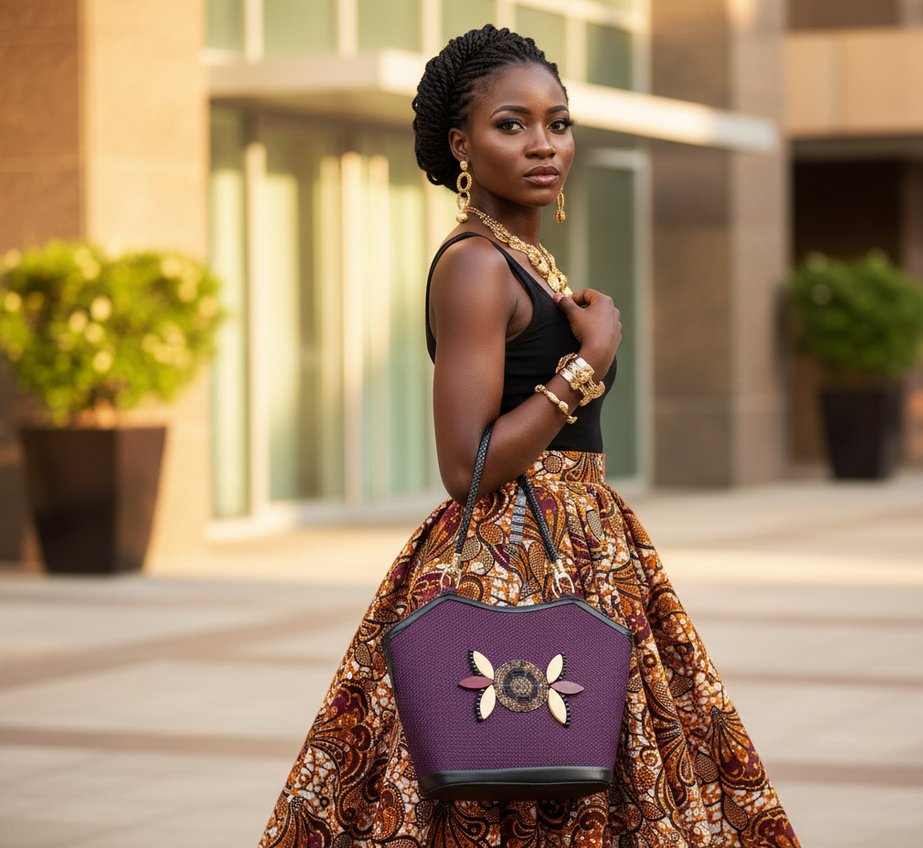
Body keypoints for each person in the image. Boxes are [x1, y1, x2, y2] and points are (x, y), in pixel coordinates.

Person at [259, 25, 800, 848]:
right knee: (515, 771)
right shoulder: (476, 264)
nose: (543, 144)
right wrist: (590, 362)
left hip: (583, 543)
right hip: (514, 551)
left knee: (585, 779)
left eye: (559, 121)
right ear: (461, 144)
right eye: (511, 124)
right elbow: (463, 463)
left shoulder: (530, 260)